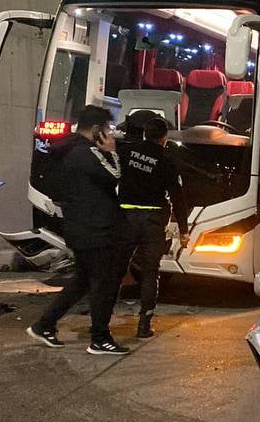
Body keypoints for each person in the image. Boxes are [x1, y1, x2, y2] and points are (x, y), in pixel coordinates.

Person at [26, 106, 130, 355]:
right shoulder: (85, 154)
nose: (109, 133)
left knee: (82, 282)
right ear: (96, 130)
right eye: (106, 129)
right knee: (103, 284)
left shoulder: (66, 149)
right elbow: (114, 177)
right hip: (96, 230)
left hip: (80, 227)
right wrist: (111, 152)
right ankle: (100, 338)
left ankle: (44, 325)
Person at [113, 114, 191, 338]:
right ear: (164, 139)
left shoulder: (126, 152)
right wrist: (184, 231)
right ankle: (144, 325)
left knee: (117, 270)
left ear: (145, 134)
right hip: (153, 221)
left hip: (126, 217)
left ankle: (102, 320)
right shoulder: (167, 161)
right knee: (150, 272)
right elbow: (178, 198)